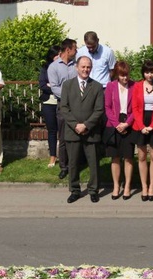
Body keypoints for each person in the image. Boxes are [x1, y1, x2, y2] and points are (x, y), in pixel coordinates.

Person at [60, 56, 104, 204]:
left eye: (88, 67)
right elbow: (64, 108)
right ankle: (75, 190)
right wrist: (75, 125)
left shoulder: (97, 86)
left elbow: (99, 110)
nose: (86, 70)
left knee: (93, 163)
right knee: (73, 163)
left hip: (91, 132)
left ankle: (93, 190)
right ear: (76, 67)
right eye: (83, 67)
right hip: (72, 132)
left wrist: (86, 125)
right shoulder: (67, 85)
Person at [131, 60, 153, 202]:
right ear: (143, 73)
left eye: (151, 72)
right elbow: (135, 108)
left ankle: (152, 186)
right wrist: (141, 126)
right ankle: (144, 186)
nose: (149, 75)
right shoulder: (137, 86)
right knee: (141, 157)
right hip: (140, 123)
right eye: (147, 72)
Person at [104, 60, 135, 200]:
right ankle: (116, 186)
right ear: (117, 74)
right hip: (114, 124)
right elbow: (107, 107)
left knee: (128, 157)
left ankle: (127, 186)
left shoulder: (134, 86)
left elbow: (137, 108)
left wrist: (127, 123)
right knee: (115, 158)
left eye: (126, 75)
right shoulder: (110, 86)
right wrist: (117, 124)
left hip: (129, 124)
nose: (125, 78)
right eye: (122, 75)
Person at [48, 38, 77, 179]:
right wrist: (69, 97)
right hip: (64, 105)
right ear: (68, 50)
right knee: (64, 137)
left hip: (77, 105)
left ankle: (76, 164)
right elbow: (54, 87)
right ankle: (64, 166)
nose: (76, 51)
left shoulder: (76, 65)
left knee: (78, 135)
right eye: (75, 49)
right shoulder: (53, 67)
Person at [39, 45, 60, 169]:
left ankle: (65, 156)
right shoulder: (45, 68)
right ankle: (52, 156)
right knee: (52, 131)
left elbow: (66, 86)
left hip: (61, 102)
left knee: (64, 132)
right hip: (48, 103)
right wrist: (55, 87)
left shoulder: (65, 68)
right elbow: (42, 85)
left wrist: (52, 86)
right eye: (56, 55)